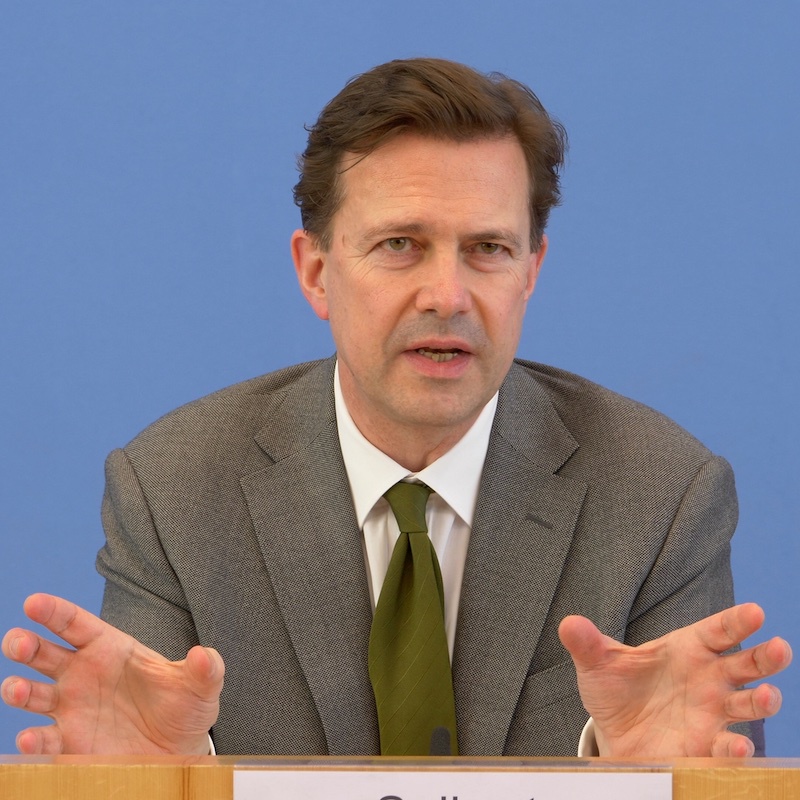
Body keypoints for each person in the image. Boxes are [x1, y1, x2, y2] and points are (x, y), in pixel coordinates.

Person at [1, 57, 791, 759]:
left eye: (488, 248)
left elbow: (701, 751)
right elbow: (143, 748)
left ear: (531, 271)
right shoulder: (172, 488)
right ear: (315, 272)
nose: (447, 296)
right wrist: (162, 775)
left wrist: (650, 775)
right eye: (400, 245)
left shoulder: (661, 493)